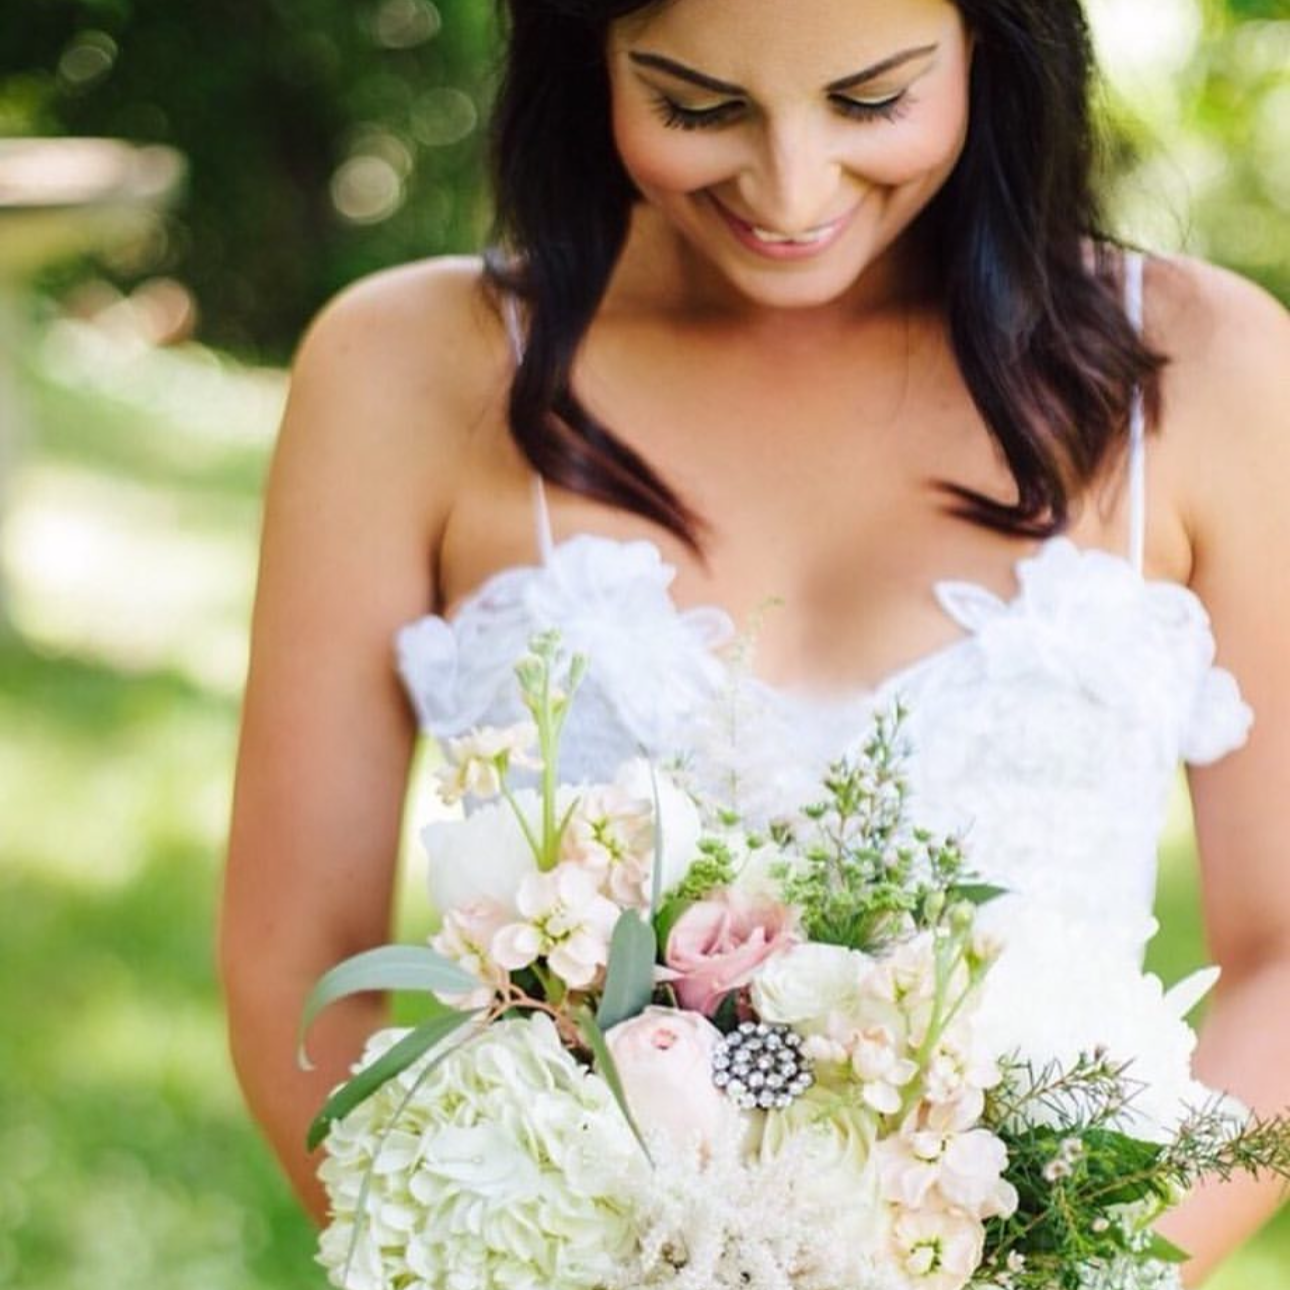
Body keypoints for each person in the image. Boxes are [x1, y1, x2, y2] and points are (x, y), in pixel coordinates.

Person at [218, 0, 1290, 1281]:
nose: (790, 189)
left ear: (994, 51)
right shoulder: (402, 370)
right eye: (698, 105)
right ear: (586, 60)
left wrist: (1082, 1267)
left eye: (873, 100)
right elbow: (297, 962)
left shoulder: (1208, 372)